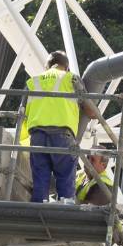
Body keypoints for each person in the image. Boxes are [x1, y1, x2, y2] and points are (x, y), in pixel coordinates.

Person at [21, 50, 97, 203]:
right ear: (66, 67)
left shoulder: (33, 82)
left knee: (40, 179)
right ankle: (64, 212)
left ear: (47, 67)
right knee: (65, 179)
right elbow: (90, 111)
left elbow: (21, 115)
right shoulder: (71, 79)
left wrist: (22, 141)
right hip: (62, 136)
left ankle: (38, 212)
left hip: (37, 137)